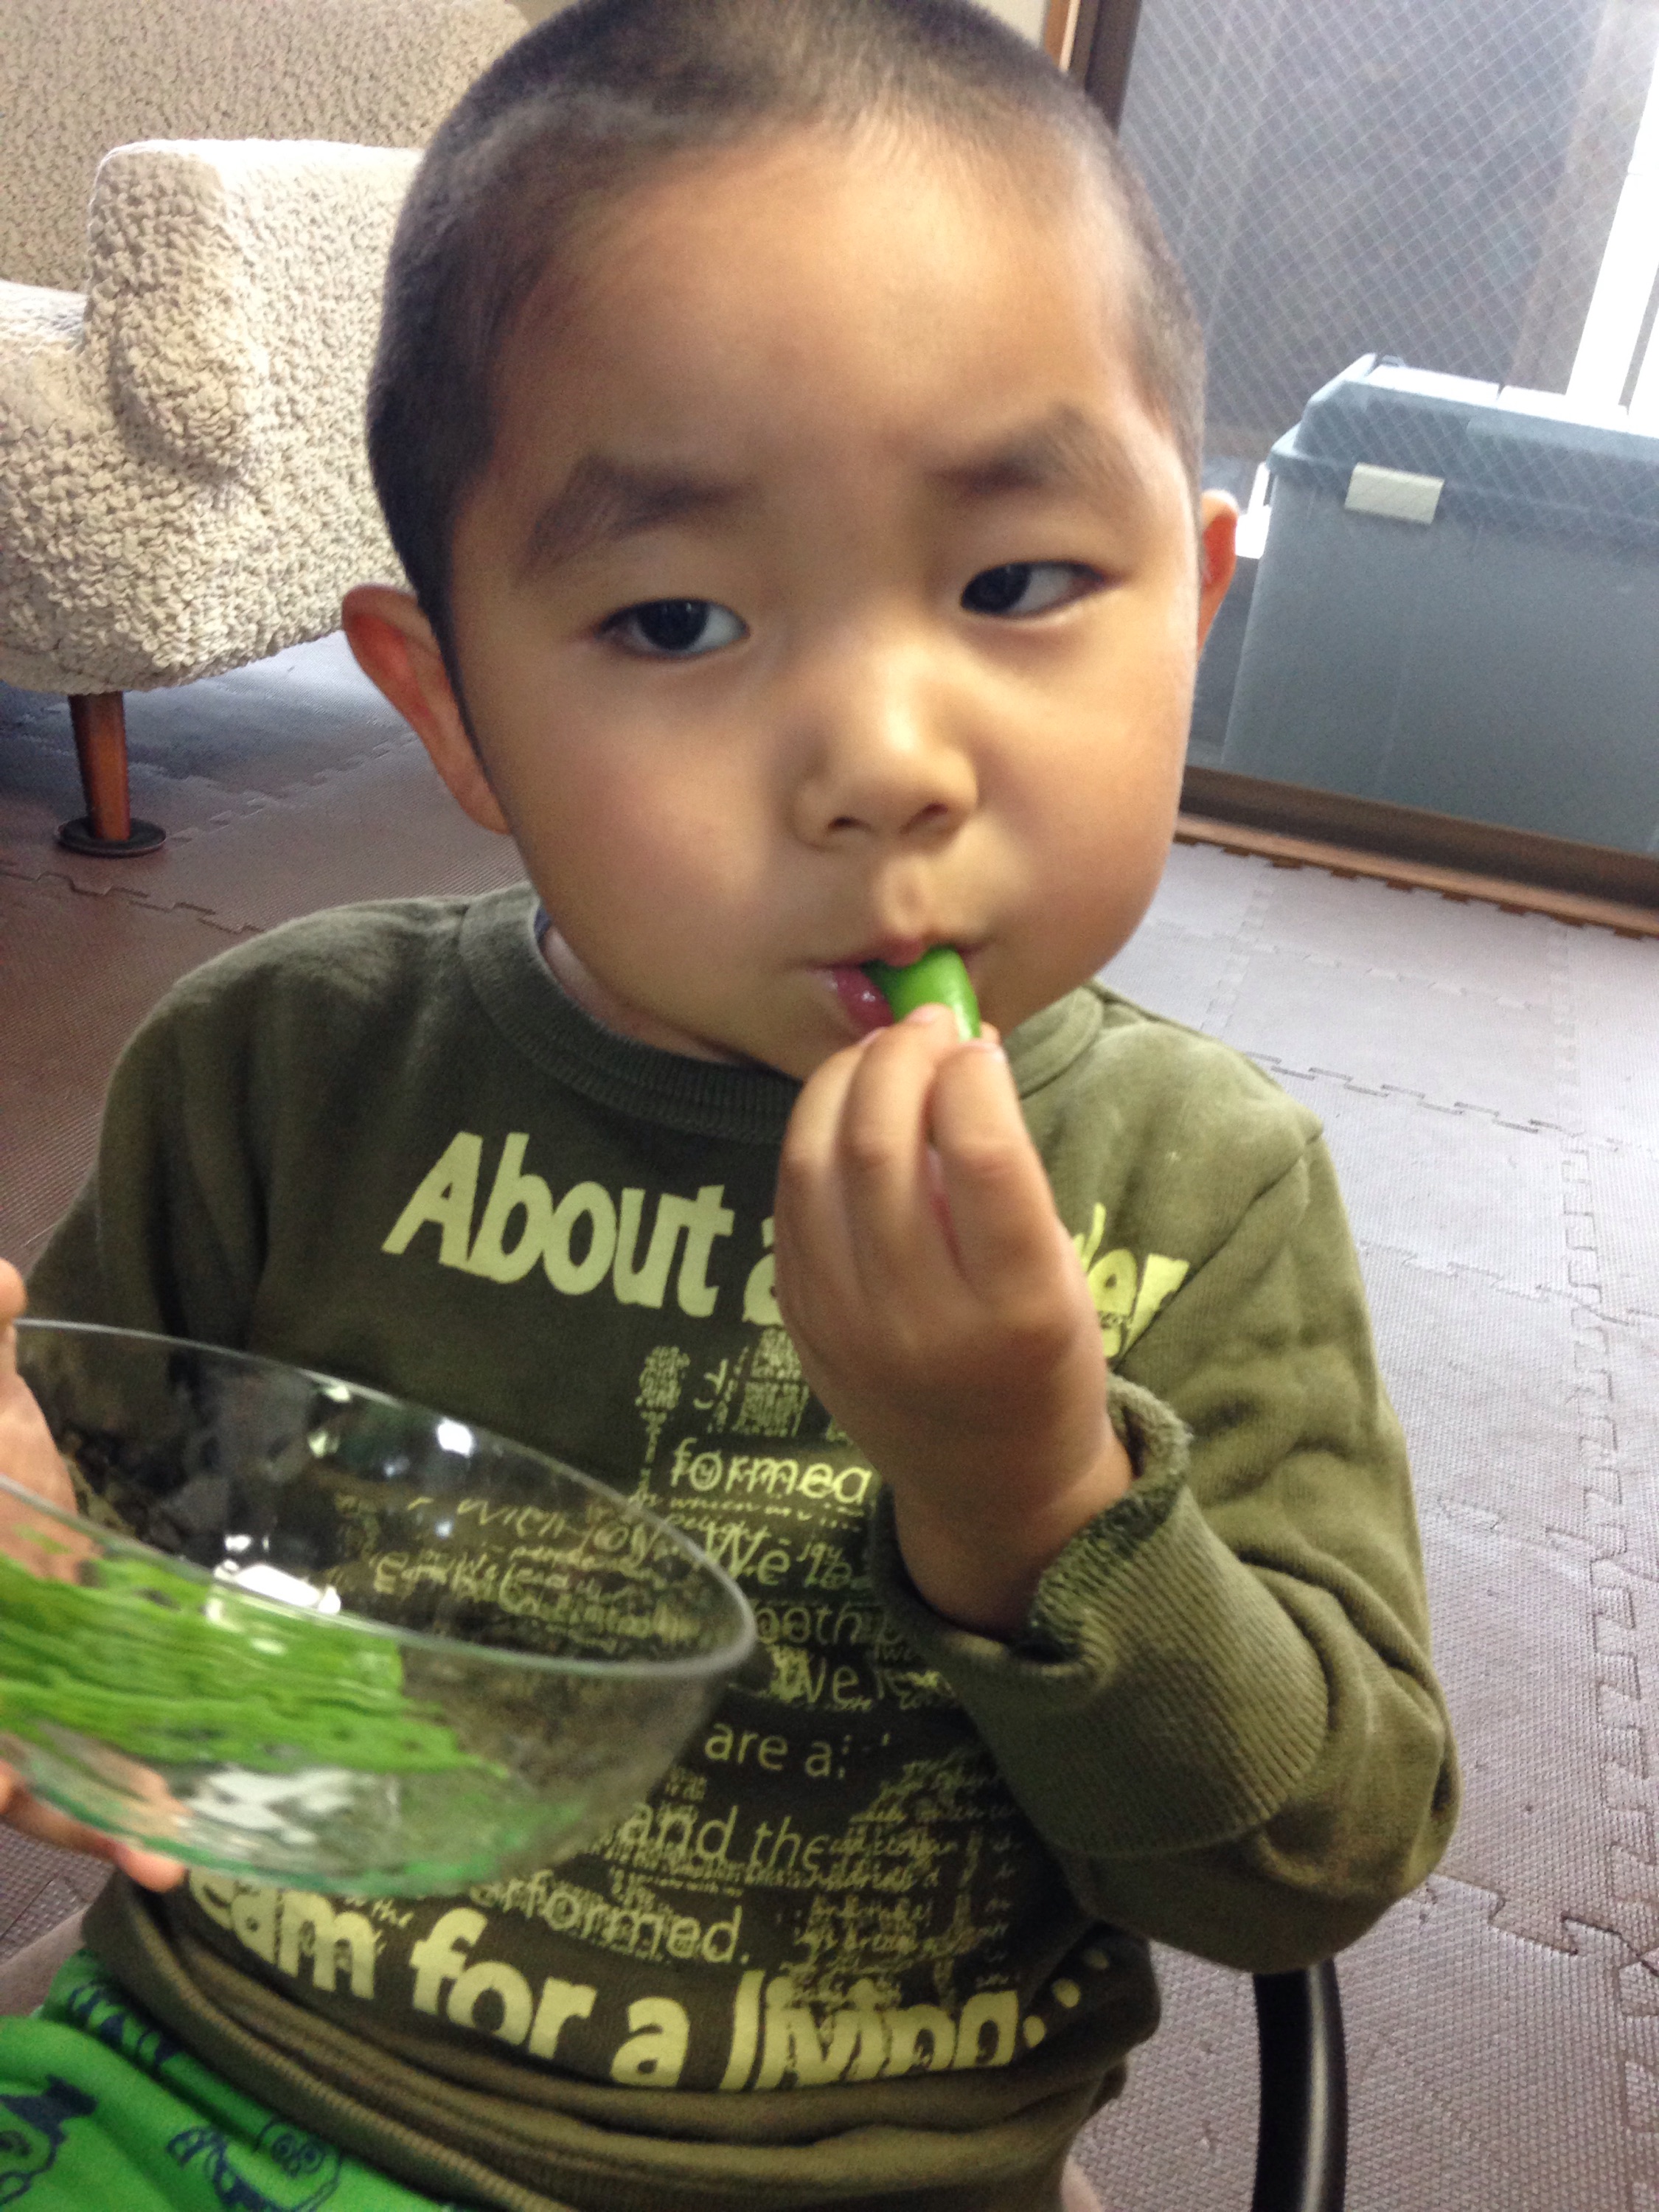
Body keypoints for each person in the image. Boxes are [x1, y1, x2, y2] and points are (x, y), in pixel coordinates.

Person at [0, 1, 1458, 2206]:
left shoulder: (1207, 1192)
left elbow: (1302, 1870)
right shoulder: (278, 1077)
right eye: (677, 620)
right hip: (215, 2077)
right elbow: (87, 1573)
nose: (883, 761)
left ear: (1193, 602)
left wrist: (1029, 1492)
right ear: (450, 711)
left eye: (1018, 584)